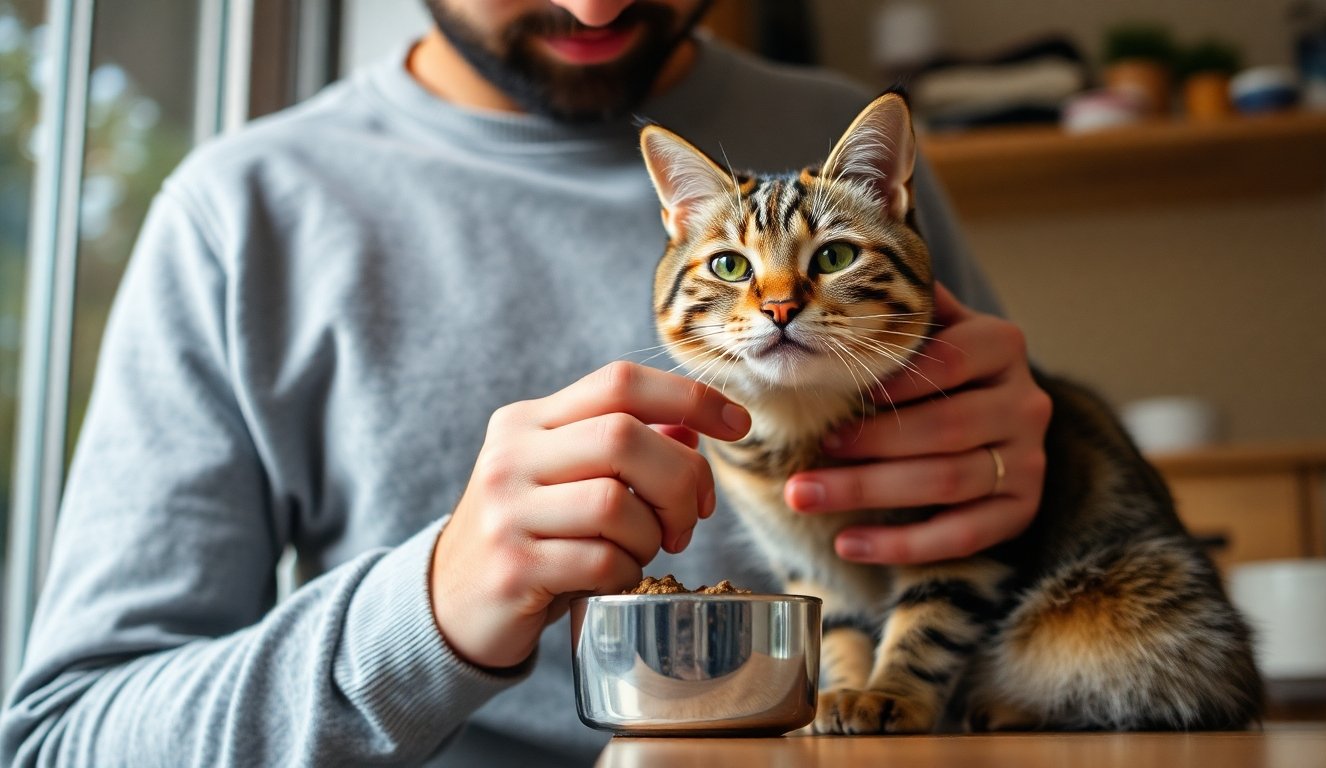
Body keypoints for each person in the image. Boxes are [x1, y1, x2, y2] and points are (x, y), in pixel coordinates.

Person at [1, 1, 1051, 764]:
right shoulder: (238, 214)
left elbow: (995, 577)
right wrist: (429, 613)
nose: (595, 6)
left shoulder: (851, 147)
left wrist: (1033, 483)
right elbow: (64, 738)